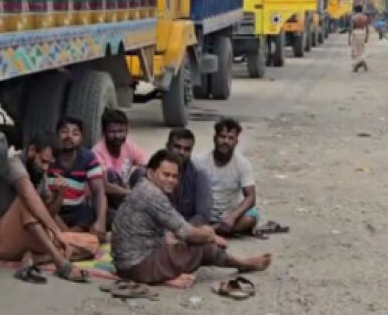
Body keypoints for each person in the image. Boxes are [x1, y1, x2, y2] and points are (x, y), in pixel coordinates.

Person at [113, 149, 272, 286]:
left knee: (195, 236)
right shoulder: (153, 195)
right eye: (166, 175)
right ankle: (242, 264)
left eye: (174, 176)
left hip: (126, 263)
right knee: (202, 246)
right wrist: (210, 236)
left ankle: (236, 261)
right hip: (137, 267)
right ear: (150, 172)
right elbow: (186, 232)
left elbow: (173, 229)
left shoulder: (143, 186)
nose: (171, 180)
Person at [0, 131, 95, 282]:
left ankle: (35, 258)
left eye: (49, 163)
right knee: (26, 200)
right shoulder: (13, 164)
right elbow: (29, 197)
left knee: (91, 243)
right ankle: (59, 262)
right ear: (31, 151)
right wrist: (56, 231)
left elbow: (48, 213)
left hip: (30, 236)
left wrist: (59, 195)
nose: (45, 167)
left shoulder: (39, 172)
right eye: (42, 161)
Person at [44, 116, 108, 239]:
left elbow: (99, 192)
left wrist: (101, 222)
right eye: (64, 131)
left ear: (81, 139)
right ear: (56, 135)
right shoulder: (47, 155)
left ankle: (67, 236)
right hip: (53, 210)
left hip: (77, 212)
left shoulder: (88, 158)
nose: (69, 136)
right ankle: (71, 238)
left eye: (75, 133)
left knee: (99, 215)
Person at [194, 118, 259, 237]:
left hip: (229, 217)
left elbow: (251, 197)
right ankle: (210, 231)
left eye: (230, 138)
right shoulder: (199, 161)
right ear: (214, 138)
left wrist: (233, 216)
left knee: (251, 217)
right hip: (203, 215)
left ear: (236, 142)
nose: (226, 141)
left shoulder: (242, 164)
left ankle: (207, 232)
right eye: (222, 137)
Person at [92, 109, 148, 212]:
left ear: (126, 131)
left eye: (120, 131)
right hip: (107, 198)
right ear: (104, 132)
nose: (117, 136)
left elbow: (147, 166)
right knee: (110, 173)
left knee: (144, 171)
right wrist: (131, 193)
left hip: (126, 192)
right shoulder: (97, 152)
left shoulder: (128, 146)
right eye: (112, 132)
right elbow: (105, 186)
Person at [165, 128, 212, 226]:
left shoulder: (199, 175)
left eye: (187, 149)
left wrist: (181, 231)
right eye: (177, 147)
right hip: (156, 228)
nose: (181, 152)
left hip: (186, 227)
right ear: (167, 146)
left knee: (207, 233)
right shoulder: (152, 172)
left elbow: (203, 215)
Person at [350, 4, 370, 73]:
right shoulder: (365, 18)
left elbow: (351, 28)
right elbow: (367, 28)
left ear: (355, 10)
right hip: (362, 33)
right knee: (361, 50)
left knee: (354, 51)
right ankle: (359, 64)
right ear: (361, 10)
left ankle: (358, 64)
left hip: (355, 33)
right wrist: (367, 37)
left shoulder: (353, 18)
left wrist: (349, 37)